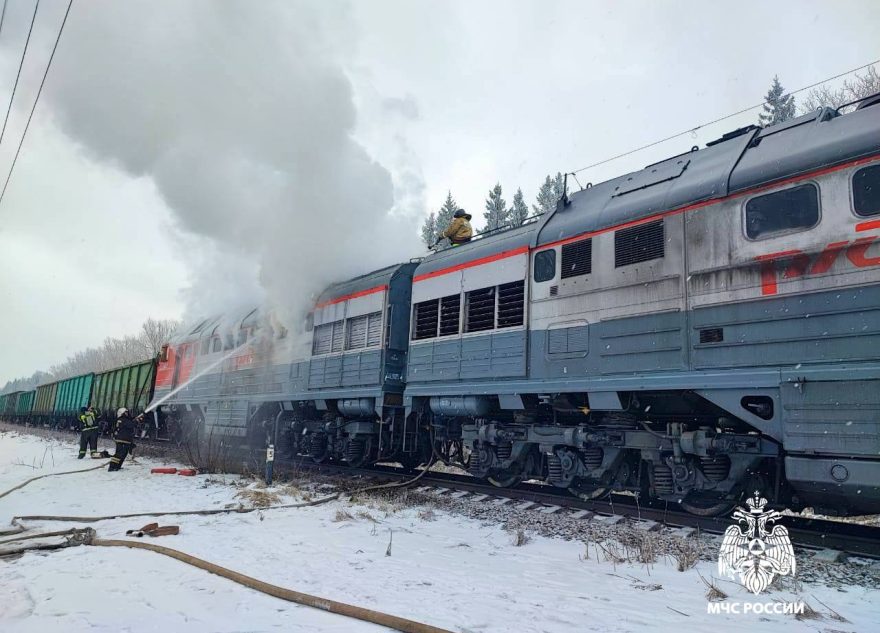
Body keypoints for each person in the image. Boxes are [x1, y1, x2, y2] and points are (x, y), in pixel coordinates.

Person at [108, 407, 142, 472]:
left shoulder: (123, 420)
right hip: (122, 440)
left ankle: (117, 466)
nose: (127, 413)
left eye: (127, 412)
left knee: (123, 454)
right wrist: (137, 421)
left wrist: (136, 419)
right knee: (119, 454)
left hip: (125, 440)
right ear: (122, 413)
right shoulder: (122, 420)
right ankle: (112, 467)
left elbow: (130, 422)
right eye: (125, 412)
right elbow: (131, 425)